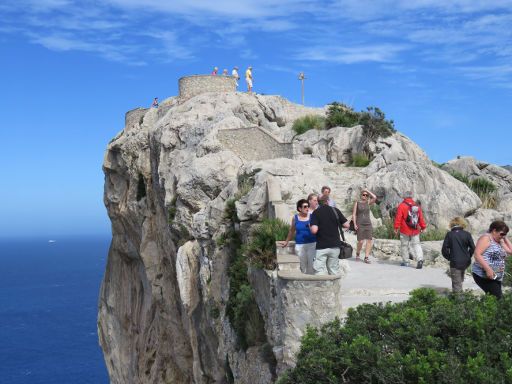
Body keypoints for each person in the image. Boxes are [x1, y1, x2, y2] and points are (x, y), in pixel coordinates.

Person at [309, 195, 350, 275]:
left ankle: (321, 287)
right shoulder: (335, 211)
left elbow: (314, 230)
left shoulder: (316, 212)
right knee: (333, 270)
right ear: (328, 201)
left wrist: (310, 226)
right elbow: (347, 225)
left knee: (319, 271)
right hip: (335, 245)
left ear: (318, 202)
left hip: (321, 246)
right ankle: (333, 287)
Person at [472, 221, 512, 299]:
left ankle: (482, 308)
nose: (502, 236)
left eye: (504, 234)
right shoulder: (486, 238)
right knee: (498, 298)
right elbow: (477, 254)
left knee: (494, 299)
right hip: (483, 275)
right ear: (494, 231)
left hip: (496, 276)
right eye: (501, 234)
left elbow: (511, 251)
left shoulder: (499, 241)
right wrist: (488, 269)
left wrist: (505, 238)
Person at [280, 199, 316, 274]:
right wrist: (286, 241)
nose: (307, 208)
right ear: (300, 208)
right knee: (303, 266)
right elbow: (292, 230)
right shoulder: (295, 218)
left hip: (312, 244)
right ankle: (305, 281)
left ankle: (311, 281)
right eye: (305, 207)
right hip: (300, 245)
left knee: (311, 265)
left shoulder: (312, 217)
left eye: (308, 206)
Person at [441, 217, 476, 293]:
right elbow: (473, 247)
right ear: (462, 224)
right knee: (460, 279)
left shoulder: (450, 234)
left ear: (452, 224)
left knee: (456, 284)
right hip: (466, 261)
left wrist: (449, 257)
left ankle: (458, 302)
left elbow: (444, 250)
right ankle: (461, 295)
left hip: (455, 261)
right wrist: (468, 256)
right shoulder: (467, 234)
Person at [393, 191, 427, 269]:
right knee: (416, 245)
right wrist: (423, 227)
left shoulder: (402, 206)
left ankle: (406, 262)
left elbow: (398, 218)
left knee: (404, 245)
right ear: (412, 197)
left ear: (404, 197)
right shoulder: (416, 206)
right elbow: (420, 218)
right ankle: (420, 259)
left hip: (404, 229)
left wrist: (396, 227)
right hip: (415, 229)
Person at [352, 189, 377, 264]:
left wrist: (367, 191)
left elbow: (375, 197)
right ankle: (358, 253)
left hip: (368, 223)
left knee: (369, 240)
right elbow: (354, 214)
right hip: (360, 223)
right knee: (360, 241)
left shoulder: (368, 202)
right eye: (363, 194)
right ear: (361, 195)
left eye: (366, 195)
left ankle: (366, 257)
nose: (365, 196)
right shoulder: (357, 203)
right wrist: (354, 224)